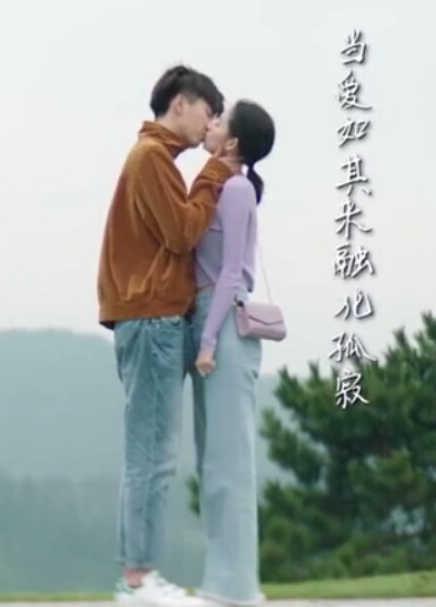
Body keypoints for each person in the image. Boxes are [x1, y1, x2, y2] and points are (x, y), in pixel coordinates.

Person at [97, 64, 237, 607]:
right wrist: (215, 173)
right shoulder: (152, 158)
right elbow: (183, 233)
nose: (210, 124)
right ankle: (138, 580)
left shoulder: (154, 158)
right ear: (180, 103)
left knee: (149, 453)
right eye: (207, 111)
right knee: (152, 454)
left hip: (152, 320)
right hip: (152, 319)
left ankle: (137, 577)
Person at [189, 100, 276, 607]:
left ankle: (238, 589)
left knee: (231, 465)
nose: (211, 124)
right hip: (211, 322)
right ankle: (222, 583)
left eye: (220, 122)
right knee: (214, 462)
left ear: (234, 142)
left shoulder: (237, 189)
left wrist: (206, 341)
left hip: (224, 328)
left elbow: (229, 274)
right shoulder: (219, 185)